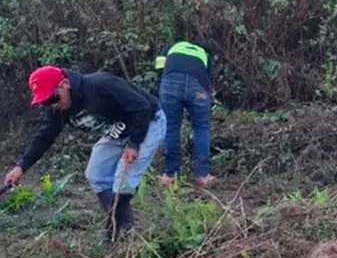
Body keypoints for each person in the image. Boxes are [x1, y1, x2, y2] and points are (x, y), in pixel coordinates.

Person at [3, 66, 166, 245]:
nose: (52, 104)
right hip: (117, 132)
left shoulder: (100, 85)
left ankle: (112, 235)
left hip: (148, 122)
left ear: (64, 84)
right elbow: (44, 136)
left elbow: (142, 107)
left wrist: (134, 144)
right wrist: (21, 166)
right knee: (95, 173)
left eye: (53, 98)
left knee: (123, 180)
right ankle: (124, 224)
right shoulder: (58, 109)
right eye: (45, 101)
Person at [155, 41, 216, 188]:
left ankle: (170, 175)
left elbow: (159, 68)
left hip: (170, 81)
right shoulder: (204, 53)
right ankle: (202, 175)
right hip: (197, 85)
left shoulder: (170, 47)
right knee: (201, 127)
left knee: (171, 126)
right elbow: (208, 78)